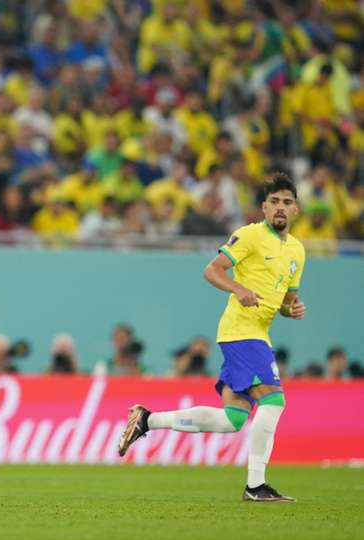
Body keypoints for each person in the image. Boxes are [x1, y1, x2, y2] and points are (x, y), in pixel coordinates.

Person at [118, 173, 306, 502]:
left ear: (295, 210)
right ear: (263, 207)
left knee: (232, 419)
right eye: (274, 201)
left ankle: (147, 420)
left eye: (287, 202)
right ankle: (255, 486)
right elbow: (212, 270)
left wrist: (293, 310)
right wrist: (239, 288)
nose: (280, 207)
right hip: (241, 330)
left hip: (258, 333)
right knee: (274, 401)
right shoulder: (249, 236)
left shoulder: (297, 252)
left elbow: (286, 303)